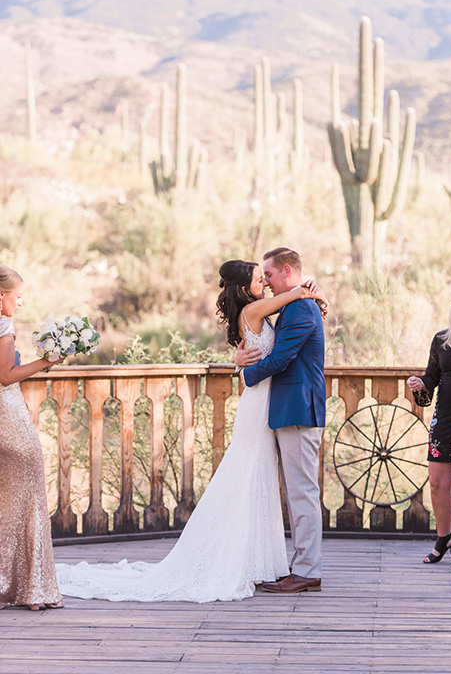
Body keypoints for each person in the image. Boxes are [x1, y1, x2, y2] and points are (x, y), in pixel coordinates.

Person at [55, 260, 328, 603]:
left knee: (255, 482)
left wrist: (312, 304)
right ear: (246, 289)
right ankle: (248, 562)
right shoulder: (260, 307)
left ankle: (262, 562)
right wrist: (312, 295)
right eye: (261, 278)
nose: (267, 283)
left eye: (268, 276)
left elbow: (289, 322)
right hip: (261, 405)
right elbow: (295, 299)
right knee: (246, 479)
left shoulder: (268, 309)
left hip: (269, 405)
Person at [235, 247, 326, 593]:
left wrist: (244, 375)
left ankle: (307, 571)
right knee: (298, 491)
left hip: (299, 409)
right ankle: (302, 564)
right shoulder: (297, 303)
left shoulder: (302, 308)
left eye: (269, 275)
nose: (267, 282)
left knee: (302, 492)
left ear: (287, 271)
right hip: (289, 409)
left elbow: (281, 358)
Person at [0, 265, 64, 610]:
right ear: (1, 295)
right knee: (29, 494)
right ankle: (31, 588)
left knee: (6, 498)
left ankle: (11, 582)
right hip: (7, 416)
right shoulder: (4, 325)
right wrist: (47, 360)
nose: (20, 303)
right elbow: (6, 376)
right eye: (18, 296)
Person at [407, 282, 451, 570]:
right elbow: (431, 378)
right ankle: (445, 537)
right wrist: (419, 385)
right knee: (438, 483)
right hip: (445, 419)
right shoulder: (442, 340)